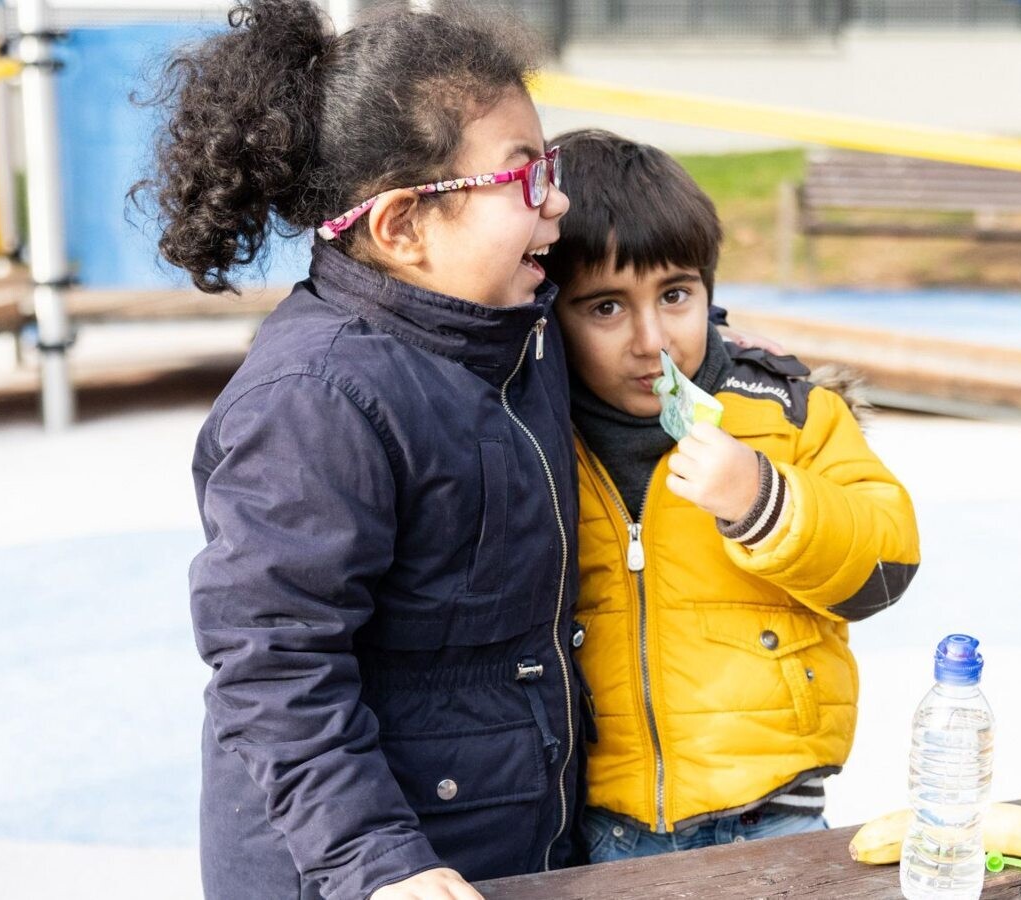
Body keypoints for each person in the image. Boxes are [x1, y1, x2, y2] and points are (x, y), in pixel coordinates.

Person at [143, 2, 581, 896]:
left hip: (497, 827)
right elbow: (274, 665)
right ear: (403, 228)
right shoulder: (317, 400)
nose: (558, 200)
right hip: (362, 864)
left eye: (551, 163)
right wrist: (380, 866)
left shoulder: (509, 332)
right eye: (523, 177)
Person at [540, 129, 921, 861]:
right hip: (601, 824)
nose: (653, 340)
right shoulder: (538, 433)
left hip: (774, 812)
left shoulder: (786, 411)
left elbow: (886, 564)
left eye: (675, 295)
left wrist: (763, 499)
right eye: (606, 308)